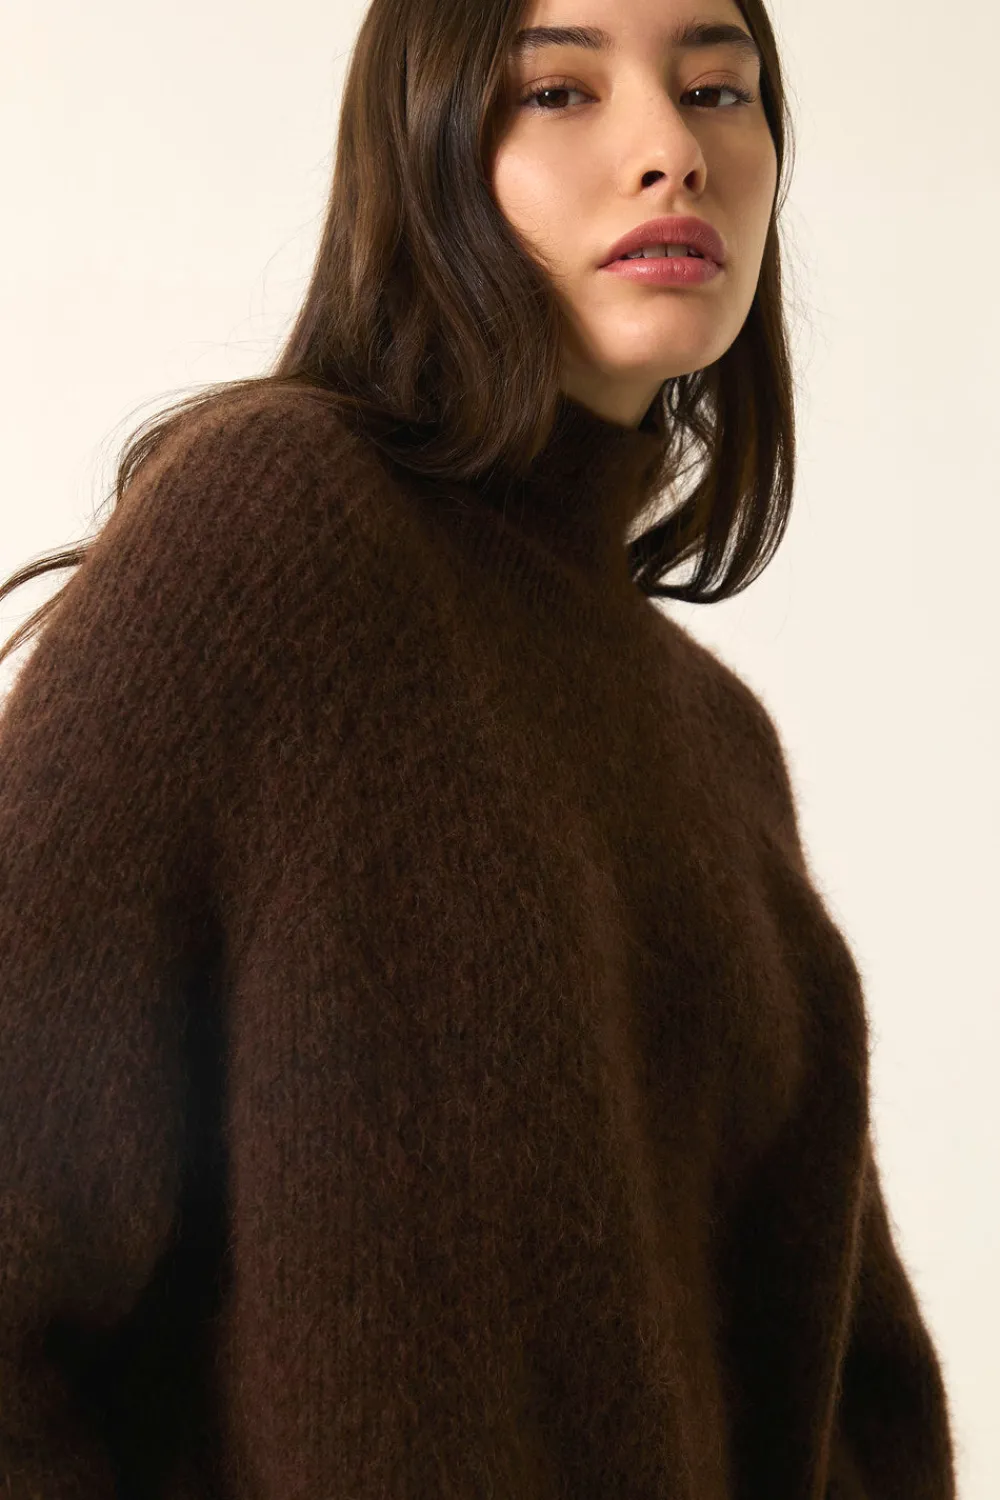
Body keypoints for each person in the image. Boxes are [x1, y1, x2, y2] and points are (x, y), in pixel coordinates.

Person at [0, 1, 957, 1497]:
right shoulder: (277, 537)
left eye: (719, 89)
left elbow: (850, 1401)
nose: (672, 150)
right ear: (428, 151)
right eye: (560, 92)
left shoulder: (719, 745)